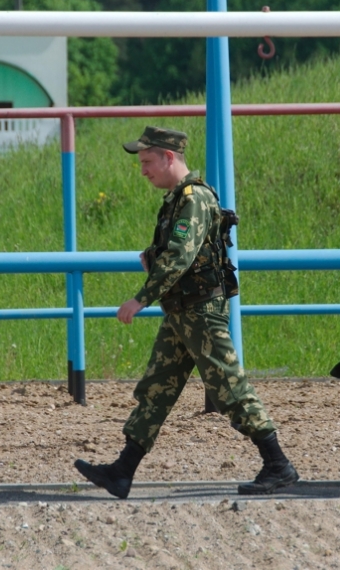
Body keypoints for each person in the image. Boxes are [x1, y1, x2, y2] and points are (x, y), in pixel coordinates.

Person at [74, 126, 299, 498]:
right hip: (181, 310)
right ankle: (122, 472)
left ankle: (278, 464)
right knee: (157, 388)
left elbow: (180, 255)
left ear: (169, 157)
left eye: (147, 161)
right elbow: (173, 252)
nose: (143, 170)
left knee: (229, 386)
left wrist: (141, 298)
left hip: (200, 311)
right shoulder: (177, 199)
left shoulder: (194, 198)